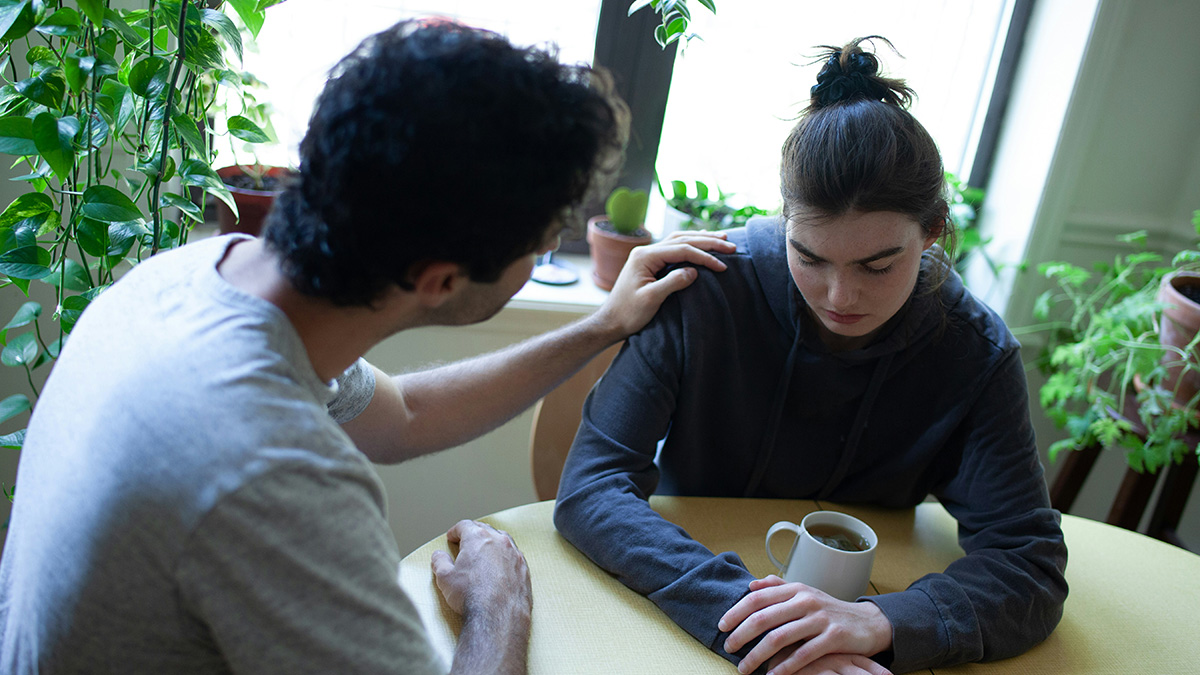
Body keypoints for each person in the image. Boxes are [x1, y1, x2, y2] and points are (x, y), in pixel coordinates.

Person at [0, 20, 735, 675]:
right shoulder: (269, 475)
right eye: (546, 236)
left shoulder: (200, 277)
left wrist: (603, 324)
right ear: (441, 279)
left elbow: (404, 413)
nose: (552, 243)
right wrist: (498, 603)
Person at [554, 36, 1068, 675]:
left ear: (932, 232)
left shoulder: (975, 352)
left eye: (878, 265)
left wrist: (880, 621)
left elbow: (1029, 563)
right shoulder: (705, 291)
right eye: (810, 257)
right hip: (692, 610)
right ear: (784, 220)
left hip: (864, 612)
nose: (840, 296)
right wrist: (765, 625)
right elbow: (593, 488)